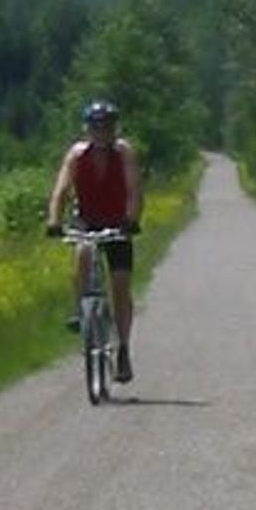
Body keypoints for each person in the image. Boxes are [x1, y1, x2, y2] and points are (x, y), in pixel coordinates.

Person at [47, 97, 144, 382]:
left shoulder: (123, 152)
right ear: (87, 128)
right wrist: (54, 220)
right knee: (82, 255)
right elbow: (61, 190)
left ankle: (123, 348)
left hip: (118, 223)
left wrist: (132, 220)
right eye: (96, 127)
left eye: (106, 127)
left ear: (114, 128)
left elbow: (134, 190)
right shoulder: (77, 155)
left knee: (120, 285)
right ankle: (82, 313)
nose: (101, 132)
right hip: (87, 220)